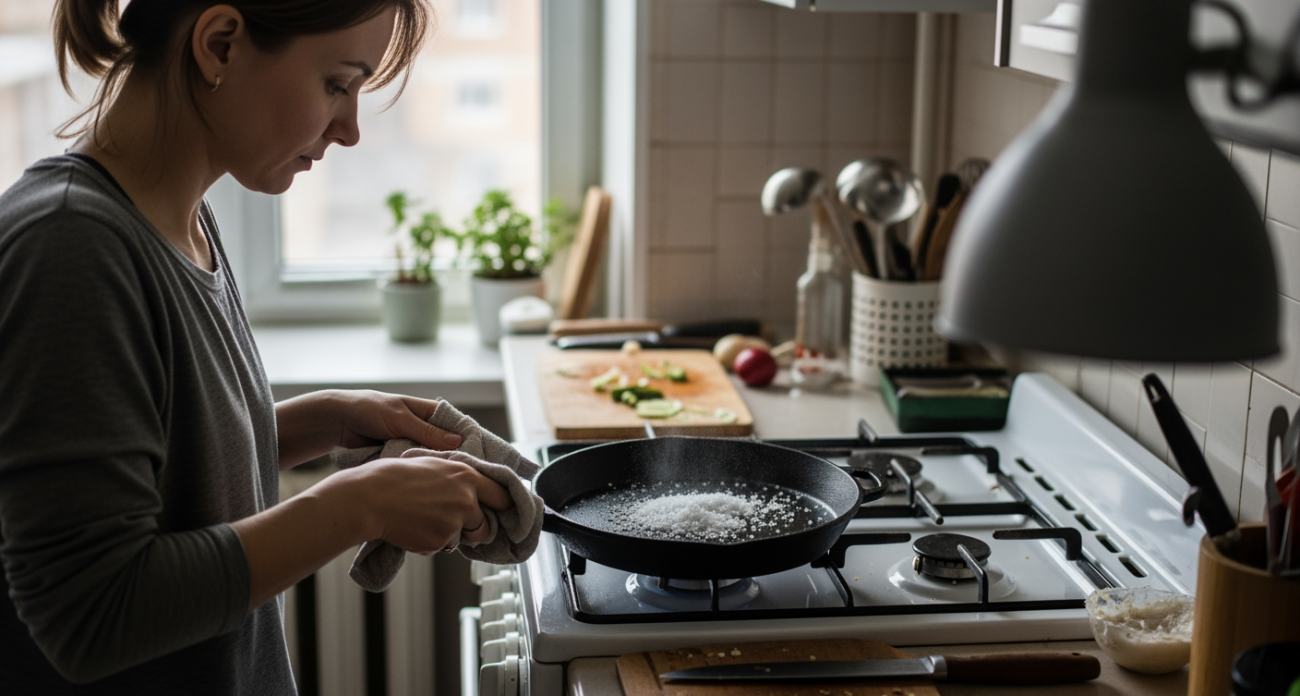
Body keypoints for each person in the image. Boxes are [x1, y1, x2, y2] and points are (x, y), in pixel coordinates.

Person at [0, 1, 518, 693]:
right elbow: (92, 613)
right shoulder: (69, 250)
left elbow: (168, 470)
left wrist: (331, 418)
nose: (351, 130)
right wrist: (359, 504)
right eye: (338, 84)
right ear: (219, 44)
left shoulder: (181, 220)